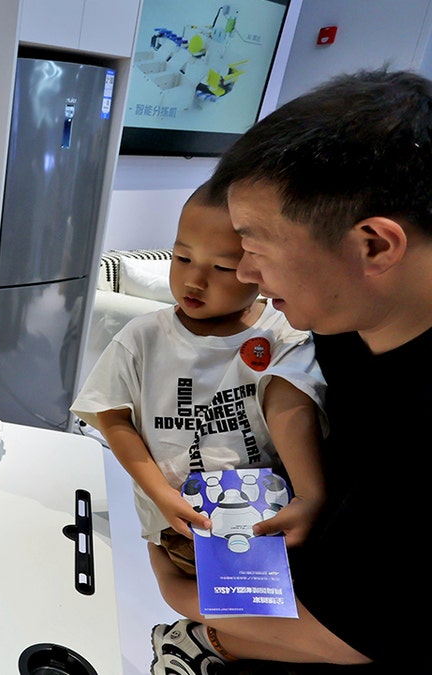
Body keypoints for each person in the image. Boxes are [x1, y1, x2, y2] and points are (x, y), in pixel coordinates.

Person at [145, 68, 432, 674]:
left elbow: (353, 634)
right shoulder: (343, 332)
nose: (244, 274)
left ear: (375, 245)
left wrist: (179, 599)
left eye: (255, 245)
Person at [71, 180, 327, 672]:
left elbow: (291, 407)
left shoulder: (280, 334)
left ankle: (197, 643)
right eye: (182, 258)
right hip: (182, 521)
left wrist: (309, 494)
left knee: (265, 611)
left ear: (259, 268)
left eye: (224, 268)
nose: (194, 280)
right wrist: (155, 494)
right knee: (230, 609)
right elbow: (112, 416)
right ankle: (199, 642)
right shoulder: (144, 337)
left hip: (264, 521)